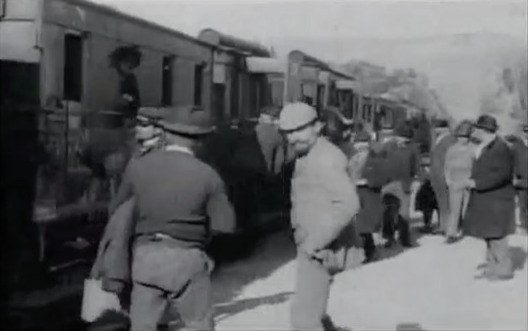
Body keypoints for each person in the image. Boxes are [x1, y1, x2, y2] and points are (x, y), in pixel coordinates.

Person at [111, 106, 236, 330]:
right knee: (198, 324)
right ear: (201, 141)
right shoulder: (208, 175)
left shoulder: (138, 166)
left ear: (165, 133)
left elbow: (117, 208)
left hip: (145, 256)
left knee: (142, 326)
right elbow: (225, 226)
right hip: (187, 257)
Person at [279, 102, 360, 331]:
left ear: (318, 126)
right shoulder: (310, 152)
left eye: (299, 130)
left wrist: (315, 241)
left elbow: (349, 203)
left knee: (304, 319)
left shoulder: (326, 158)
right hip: (313, 243)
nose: (293, 138)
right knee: (314, 311)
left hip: (319, 247)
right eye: (288, 133)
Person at [463, 115, 516, 281]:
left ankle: (503, 270)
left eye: (478, 129)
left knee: (497, 236)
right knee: (489, 234)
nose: (475, 132)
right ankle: (492, 266)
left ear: (485, 131)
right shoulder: (488, 146)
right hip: (489, 200)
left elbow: (502, 175)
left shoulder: (500, 148)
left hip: (497, 200)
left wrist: (476, 183)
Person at [351, 130, 389, 263]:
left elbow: (383, 178)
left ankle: (371, 252)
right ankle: (368, 250)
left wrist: (368, 182)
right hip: (356, 195)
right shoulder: (353, 159)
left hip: (369, 196)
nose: (360, 149)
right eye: (358, 145)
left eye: (363, 146)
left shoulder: (375, 159)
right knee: (360, 226)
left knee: (364, 226)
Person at [381, 121, 420, 247]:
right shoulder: (387, 146)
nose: (402, 141)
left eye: (406, 140)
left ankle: (405, 238)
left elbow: (416, 166)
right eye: (400, 138)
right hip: (388, 183)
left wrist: (415, 179)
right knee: (388, 211)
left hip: (404, 183)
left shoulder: (413, 148)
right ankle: (388, 237)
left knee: (404, 213)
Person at [443, 120, 475, 243]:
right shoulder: (452, 150)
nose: (463, 139)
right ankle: (451, 233)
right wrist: (448, 179)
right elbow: (446, 166)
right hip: (455, 181)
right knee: (454, 208)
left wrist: (472, 179)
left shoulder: (473, 149)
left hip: (467, 180)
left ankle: (466, 229)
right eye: (461, 136)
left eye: (466, 137)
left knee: (467, 207)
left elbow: (476, 165)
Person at [429, 119, 456, 235]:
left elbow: (450, 159)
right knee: (441, 202)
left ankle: (447, 227)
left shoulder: (449, 140)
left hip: (444, 175)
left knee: (446, 202)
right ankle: (443, 225)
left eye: (436, 128)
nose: (434, 130)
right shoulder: (439, 139)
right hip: (437, 175)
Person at [109, 45, 142, 125]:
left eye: (132, 66)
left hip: (127, 116)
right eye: (127, 64)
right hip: (113, 115)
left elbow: (136, 100)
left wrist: (129, 99)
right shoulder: (113, 75)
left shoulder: (130, 79)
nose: (130, 68)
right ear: (120, 63)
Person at [512, 123, 528, 232]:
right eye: (526, 131)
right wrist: (513, 178)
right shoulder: (516, 146)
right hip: (521, 179)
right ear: (522, 132)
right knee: (522, 204)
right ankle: (524, 226)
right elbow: (511, 163)